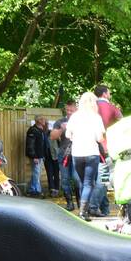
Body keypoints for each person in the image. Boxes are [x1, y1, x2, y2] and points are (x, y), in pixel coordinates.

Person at [66, 92, 107, 220]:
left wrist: (77, 138)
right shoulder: (96, 117)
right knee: (89, 183)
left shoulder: (74, 117)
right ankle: (83, 212)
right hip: (91, 153)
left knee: (84, 183)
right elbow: (100, 138)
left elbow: (68, 135)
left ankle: (84, 210)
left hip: (77, 153)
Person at [50, 99, 79, 210]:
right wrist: (62, 129)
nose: (69, 112)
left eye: (71, 110)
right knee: (65, 179)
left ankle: (81, 204)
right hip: (64, 153)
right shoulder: (60, 121)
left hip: (78, 153)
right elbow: (52, 136)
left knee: (77, 179)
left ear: (76, 109)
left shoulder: (81, 121)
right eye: (67, 110)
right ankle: (69, 203)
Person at [25, 114, 51, 197]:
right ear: (38, 121)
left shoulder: (41, 130)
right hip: (36, 156)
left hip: (41, 155)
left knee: (37, 173)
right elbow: (30, 145)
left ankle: (32, 189)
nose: (45, 121)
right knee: (36, 173)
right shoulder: (32, 130)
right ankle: (38, 191)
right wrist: (34, 156)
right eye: (43, 119)